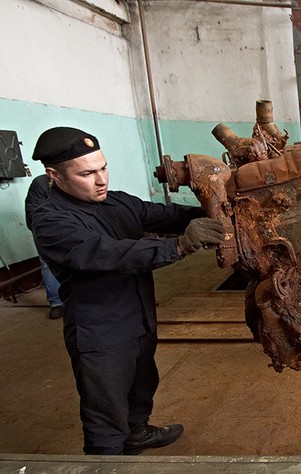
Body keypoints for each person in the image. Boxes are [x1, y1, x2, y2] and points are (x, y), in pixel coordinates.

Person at [29, 126, 226, 455]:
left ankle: (138, 433)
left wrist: (221, 212)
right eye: (87, 173)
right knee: (105, 412)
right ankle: (107, 473)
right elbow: (109, 254)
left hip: (139, 317)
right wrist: (179, 247)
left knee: (142, 385)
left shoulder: (116, 203)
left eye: (103, 167)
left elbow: (168, 215)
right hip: (100, 331)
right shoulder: (51, 221)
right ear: (55, 175)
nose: (101, 179)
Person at [24, 174, 63, 319]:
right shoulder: (41, 184)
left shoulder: (78, 180)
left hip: (70, 227)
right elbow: (35, 214)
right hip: (45, 229)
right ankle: (56, 303)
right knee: (48, 264)